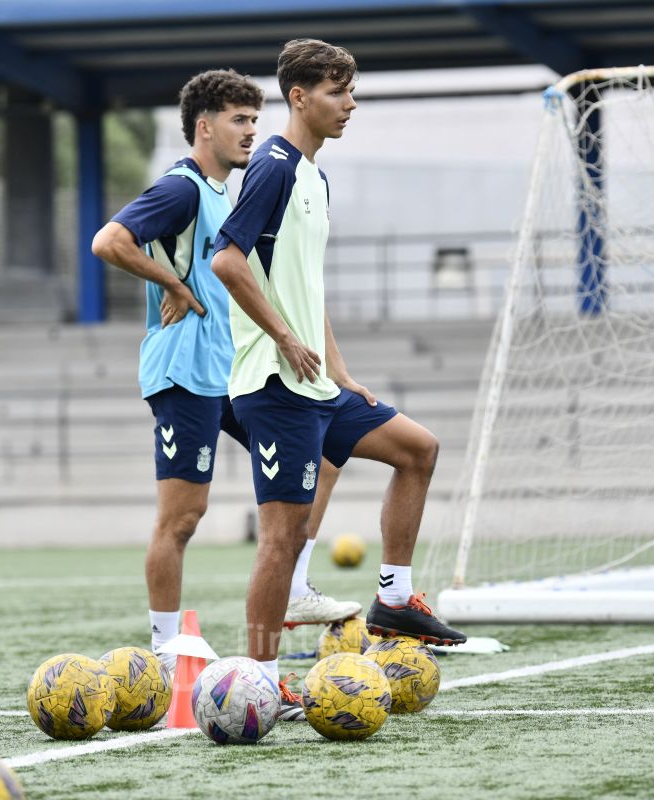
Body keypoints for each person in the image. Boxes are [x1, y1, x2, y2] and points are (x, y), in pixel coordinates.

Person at [211, 40, 467, 690]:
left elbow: (303, 285)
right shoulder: (270, 165)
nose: (349, 105)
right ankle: (261, 682)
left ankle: (395, 597)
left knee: (418, 449)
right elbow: (228, 261)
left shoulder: (315, 178)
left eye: (350, 92)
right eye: (335, 92)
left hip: (317, 383)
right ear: (298, 97)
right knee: (280, 537)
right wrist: (286, 340)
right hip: (273, 384)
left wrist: (339, 369)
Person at [91, 69, 360, 682]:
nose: (250, 133)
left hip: (233, 371)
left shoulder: (227, 193)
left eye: (254, 121)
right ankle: (164, 648)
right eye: (239, 121)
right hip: (186, 372)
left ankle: (293, 585)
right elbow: (109, 241)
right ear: (204, 126)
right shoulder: (182, 189)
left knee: (330, 445)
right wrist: (174, 283)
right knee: (183, 517)